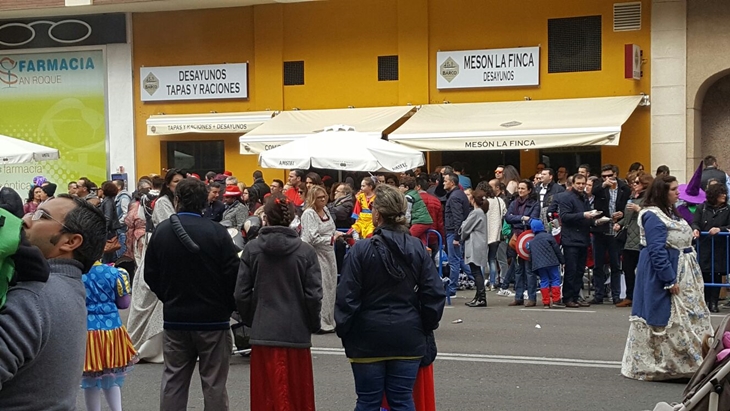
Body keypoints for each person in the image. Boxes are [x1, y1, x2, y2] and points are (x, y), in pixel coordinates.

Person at [335, 184, 445, 411]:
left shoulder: (360, 250)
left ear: (377, 214)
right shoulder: (417, 248)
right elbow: (434, 293)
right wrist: (423, 325)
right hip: (407, 336)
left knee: (367, 401)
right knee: (403, 400)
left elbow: (347, 297)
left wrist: (346, 331)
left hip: (367, 337)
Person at [0, 195, 106, 409]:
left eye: (42, 216)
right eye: (32, 211)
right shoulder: (69, 287)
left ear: (70, 241)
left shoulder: (33, 296)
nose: (26, 219)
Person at [145, 178, 240, 410]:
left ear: (177, 200)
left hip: (176, 316)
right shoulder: (217, 232)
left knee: (174, 380)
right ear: (205, 202)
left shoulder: (163, 231)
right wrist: (226, 305)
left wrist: (169, 297)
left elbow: (150, 275)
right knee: (214, 383)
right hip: (213, 318)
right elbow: (234, 276)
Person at [621, 175, 713, 381]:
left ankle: (692, 362)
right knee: (669, 317)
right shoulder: (652, 215)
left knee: (690, 316)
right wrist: (669, 279)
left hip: (685, 269)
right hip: (666, 272)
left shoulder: (671, 212)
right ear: (662, 192)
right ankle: (666, 365)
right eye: (673, 189)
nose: (677, 192)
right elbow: (656, 250)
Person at [235, 193, 322, 411]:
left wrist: (252, 319)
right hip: (296, 331)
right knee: (296, 395)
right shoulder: (306, 251)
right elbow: (313, 295)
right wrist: (312, 323)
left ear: (265, 217)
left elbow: (241, 293)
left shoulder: (252, 249)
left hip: (264, 330)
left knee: (266, 396)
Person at [127, 168, 185, 364]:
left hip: (174, 254)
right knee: (147, 296)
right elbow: (170, 225)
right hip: (160, 251)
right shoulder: (163, 202)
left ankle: (162, 345)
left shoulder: (183, 202)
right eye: (176, 181)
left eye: (182, 181)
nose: (179, 184)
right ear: (168, 184)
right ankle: (140, 344)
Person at [81, 263, 137, 411]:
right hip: (112, 331)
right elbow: (124, 304)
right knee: (112, 377)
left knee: (90, 379)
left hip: (88, 331)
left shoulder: (77, 274)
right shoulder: (115, 273)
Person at [300, 185, 340, 333]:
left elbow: (332, 228)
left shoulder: (326, 211)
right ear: (312, 199)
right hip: (315, 254)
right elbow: (311, 238)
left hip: (329, 253)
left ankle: (329, 320)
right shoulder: (309, 214)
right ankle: (319, 322)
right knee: (320, 286)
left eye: (324, 197)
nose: (323, 200)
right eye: (319, 198)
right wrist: (331, 238)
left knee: (330, 285)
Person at [590, 164, 631, 304]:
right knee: (598, 264)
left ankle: (616, 295)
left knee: (615, 264)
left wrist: (622, 214)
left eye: (610, 176)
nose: (607, 178)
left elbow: (628, 206)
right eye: (604, 176)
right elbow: (592, 192)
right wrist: (603, 185)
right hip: (601, 229)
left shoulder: (624, 188)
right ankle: (599, 294)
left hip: (616, 230)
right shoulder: (600, 187)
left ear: (616, 174)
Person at [557, 174, 598, 308]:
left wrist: (594, 220)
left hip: (583, 238)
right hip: (571, 239)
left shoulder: (584, 197)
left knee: (580, 270)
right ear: (573, 183)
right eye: (578, 183)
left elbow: (586, 215)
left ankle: (575, 296)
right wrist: (584, 215)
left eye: (583, 183)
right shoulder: (566, 197)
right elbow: (564, 216)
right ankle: (567, 297)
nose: (581, 186)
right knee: (571, 270)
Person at [614, 171, 654, 308]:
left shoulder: (650, 199)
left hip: (642, 239)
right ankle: (630, 296)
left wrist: (639, 209)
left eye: (637, 182)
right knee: (628, 269)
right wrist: (620, 222)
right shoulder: (631, 197)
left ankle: (643, 297)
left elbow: (654, 214)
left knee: (643, 270)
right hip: (629, 239)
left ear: (645, 184)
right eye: (633, 182)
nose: (634, 185)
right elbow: (628, 217)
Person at [692, 183, 730, 313]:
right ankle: (704, 301)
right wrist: (696, 229)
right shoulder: (701, 208)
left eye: (724, 193)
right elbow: (695, 222)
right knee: (704, 273)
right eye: (721, 193)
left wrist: (721, 229)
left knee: (717, 273)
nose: (724, 195)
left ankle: (713, 302)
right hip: (704, 246)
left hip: (720, 247)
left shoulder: (728, 209)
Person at [505, 180, 541, 307]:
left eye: (523, 188)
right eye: (519, 188)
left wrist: (520, 219)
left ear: (529, 190)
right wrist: (521, 218)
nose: (520, 190)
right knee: (518, 268)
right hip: (517, 237)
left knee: (529, 269)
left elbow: (533, 220)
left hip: (528, 238)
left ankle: (532, 297)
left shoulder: (534, 204)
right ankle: (518, 296)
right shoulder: (514, 203)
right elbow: (508, 217)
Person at [444, 173, 472, 297]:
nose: (443, 183)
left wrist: (456, 236)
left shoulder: (454, 197)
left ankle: (452, 289)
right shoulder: (458, 195)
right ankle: (478, 278)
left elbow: (457, 218)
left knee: (454, 261)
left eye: (445, 181)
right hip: (454, 231)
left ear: (452, 183)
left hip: (453, 232)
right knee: (459, 259)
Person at [528, 219, 565, 309]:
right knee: (555, 279)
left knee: (544, 281)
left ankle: (546, 302)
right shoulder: (549, 237)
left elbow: (531, 256)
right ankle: (556, 300)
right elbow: (557, 250)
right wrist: (562, 261)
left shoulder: (532, 242)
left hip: (539, 265)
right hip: (552, 262)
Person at [461, 189, 489, 307]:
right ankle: (478, 296)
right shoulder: (481, 212)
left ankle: (481, 297)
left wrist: (462, 226)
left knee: (476, 271)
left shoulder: (476, 212)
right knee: (476, 271)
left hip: (474, 244)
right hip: (479, 243)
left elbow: (465, 227)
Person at [400, 176, 434, 245]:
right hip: (426, 220)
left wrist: (405, 224)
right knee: (422, 241)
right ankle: (425, 253)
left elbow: (407, 212)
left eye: (401, 186)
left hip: (419, 221)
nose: (399, 187)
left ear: (406, 187)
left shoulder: (408, 197)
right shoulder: (415, 193)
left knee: (408, 238)